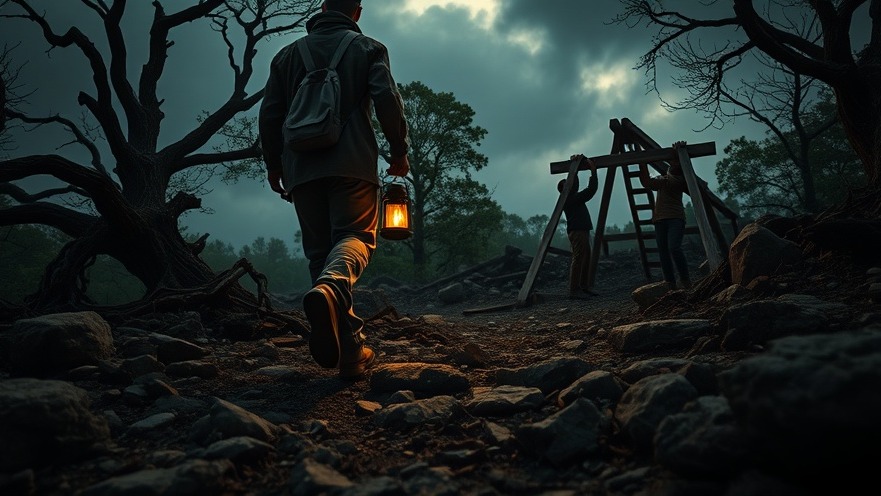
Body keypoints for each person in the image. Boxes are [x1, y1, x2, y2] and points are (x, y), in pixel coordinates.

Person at [259, 0, 410, 378]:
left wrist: (274, 163)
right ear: (356, 11)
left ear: (323, 7)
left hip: (301, 166)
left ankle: (351, 353)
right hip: (353, 163)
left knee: (319, 252)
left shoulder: (286, 56)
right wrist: (398, 150)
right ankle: (333, 287)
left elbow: (270, 112)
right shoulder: (368, 48)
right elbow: (387, 99)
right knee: (355, 237)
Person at [638, 142, 692, 290]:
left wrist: (676, 154)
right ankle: (670, 282)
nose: (673, 165)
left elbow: (675, 170)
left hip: (675, 218)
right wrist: (642, 164)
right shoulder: (663, 180)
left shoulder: (680, 179)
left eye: (675, 163)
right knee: (663, 252)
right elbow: (647, 182)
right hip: (660, 219)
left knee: (674, 247)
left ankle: (685, 280)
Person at [558, 154, 598, 299]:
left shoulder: (571, 197)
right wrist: (593, 172)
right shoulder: (569, 199)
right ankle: (575, 290)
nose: (570, 183)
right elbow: (590, 190)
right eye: (566, 183)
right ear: (564, 188)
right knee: (579, 258)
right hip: (577, 231)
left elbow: (575, 183)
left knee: (585, 257)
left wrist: (578, 163)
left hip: (581, 231)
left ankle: (583, 287)